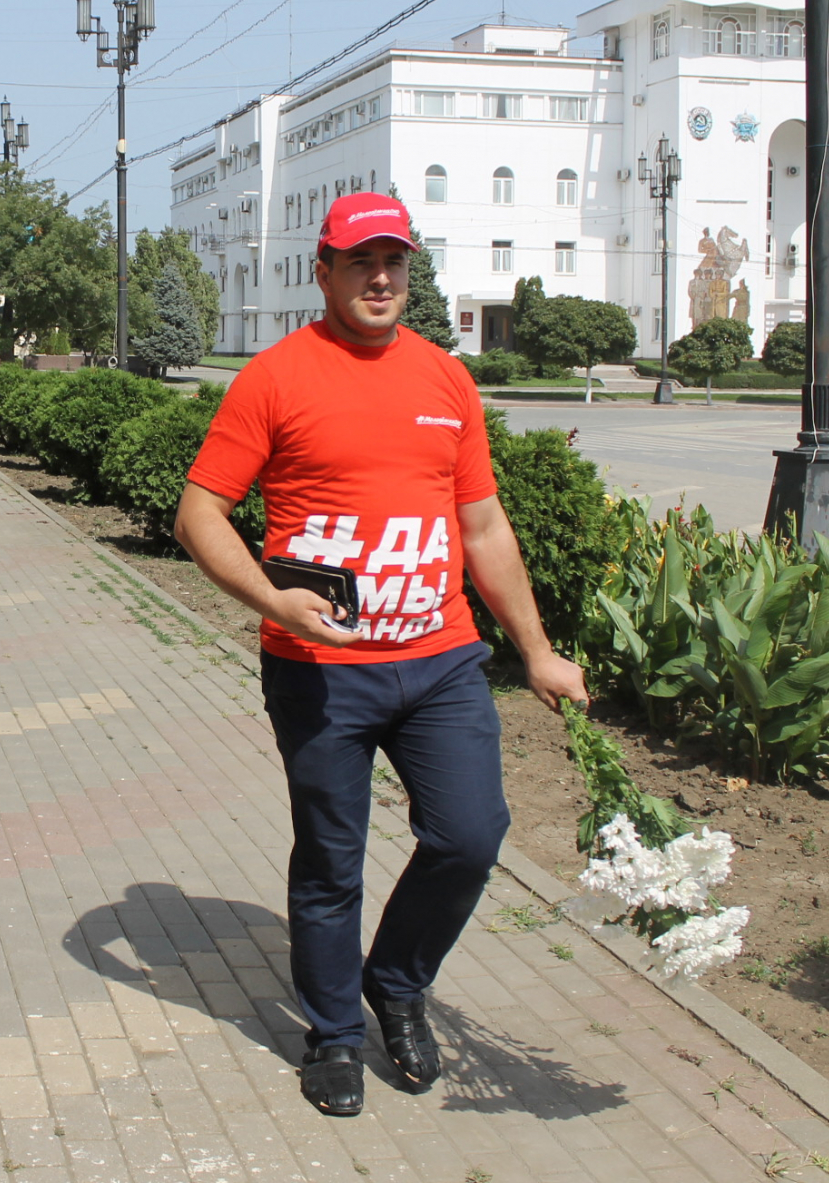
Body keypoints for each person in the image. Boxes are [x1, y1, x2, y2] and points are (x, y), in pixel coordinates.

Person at [172, 192, 588, 1118]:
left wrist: (538, 650)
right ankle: (332, 1032)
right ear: (323, 270)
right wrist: (270, 598)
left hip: (441, 660)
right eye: (361, 261)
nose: (381, 277)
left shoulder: (445, 379)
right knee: (331, 859)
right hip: (321, 672)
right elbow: (200, 511)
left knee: (470, 834)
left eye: (395, 260)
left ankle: (396, 978)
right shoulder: (275, 377)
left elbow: (480, 523)